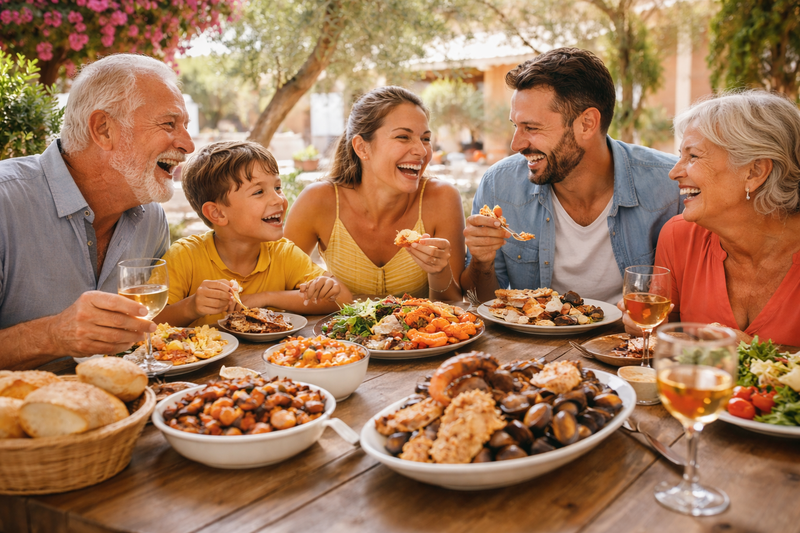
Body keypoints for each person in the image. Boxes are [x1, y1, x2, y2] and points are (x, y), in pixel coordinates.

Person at [0, 54, 194, 370]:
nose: (188, 144)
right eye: (169, 123)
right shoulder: (5, 202)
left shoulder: (151, 219)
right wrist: (52, 335)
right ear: (103, 129)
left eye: (185, 126)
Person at [462, 48, 681, 303]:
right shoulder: (499, 185)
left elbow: (684, 305)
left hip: (629, 341)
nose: (516, 144)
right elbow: (479, 303)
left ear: (587, 123)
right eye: (516, 126)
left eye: (531, 127)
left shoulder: (671, 186)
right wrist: (481, 262)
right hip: (533, 343)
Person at [620, 91, 800, 346]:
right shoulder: (679, 236)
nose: (673, 173)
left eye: (693, 156)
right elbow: (663, 334)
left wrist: (751, 353)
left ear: (754, 171)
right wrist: (643, 326)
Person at [284, 86, 465, 300]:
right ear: (362, 148)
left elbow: (454, 306)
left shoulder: (442, 199)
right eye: (403, 137)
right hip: (337, 334)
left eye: (425, 138)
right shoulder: (318, 201)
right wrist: (315, 288)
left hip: (421, 334)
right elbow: (281, 284)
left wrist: (439, 271)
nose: (422, 150)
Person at [154, 141, 352, 328]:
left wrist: (265, 297)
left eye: (277, 188)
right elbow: (147, 322)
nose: (279, 200)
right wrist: (192, 307)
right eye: (259, 192)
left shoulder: (283, 253)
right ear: (218, 213)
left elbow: (343, 299)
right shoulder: (185, 256)